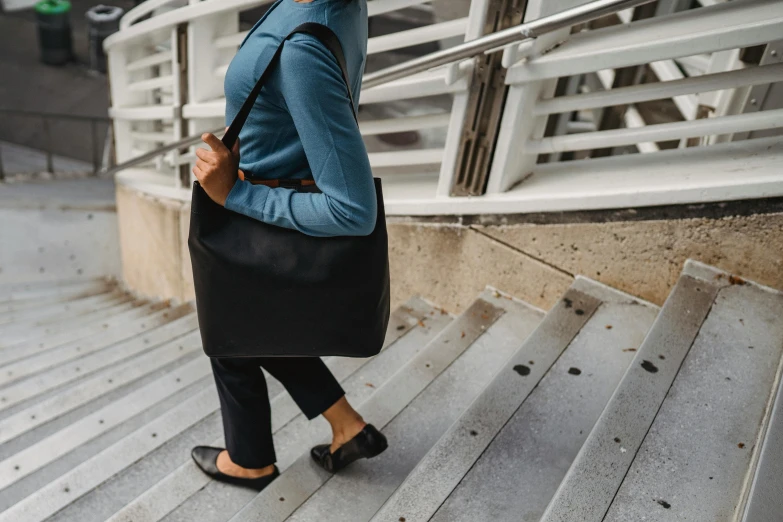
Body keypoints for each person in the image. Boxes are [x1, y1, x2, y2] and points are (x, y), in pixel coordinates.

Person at [188, 0, 387, 491]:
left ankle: (252, 461)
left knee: (232, 329)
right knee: (248, 327)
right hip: (267, 187)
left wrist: (234, 192)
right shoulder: (338, 6)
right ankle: (346, 427)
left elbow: (353, 211)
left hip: (262, 201)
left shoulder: (303, 51)